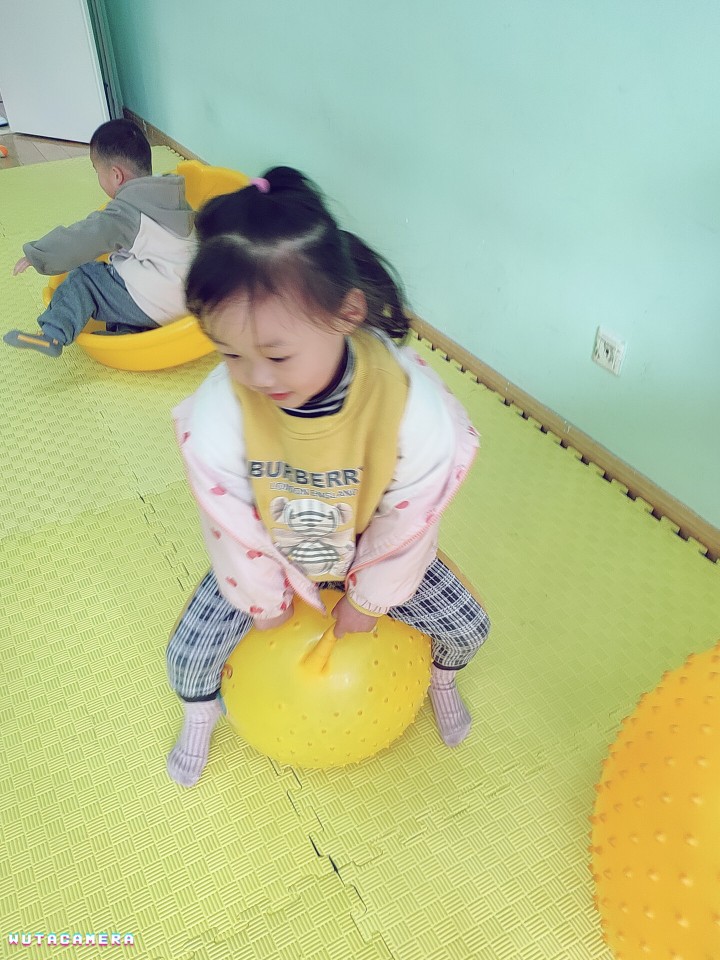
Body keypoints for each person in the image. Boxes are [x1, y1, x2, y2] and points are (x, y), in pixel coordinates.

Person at [167, 167, 491, 787]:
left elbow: (410, 518)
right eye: (230, 354)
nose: (257, 377)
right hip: (273, 556)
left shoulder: (409, 404)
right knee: (185, 656)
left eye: (277, 354)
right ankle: (201, 712)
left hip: (367, 551)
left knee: (469, 628)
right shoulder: (218, 414)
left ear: (347, 313)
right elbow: (232, 525)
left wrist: (369, 602)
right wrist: (265, 605)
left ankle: (439, 678)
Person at [4, 119, 195, 358]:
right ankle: (127, 333)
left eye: (97, 171)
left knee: (86, 276)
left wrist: (38, 254)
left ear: (116, 175)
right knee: (119, 274)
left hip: (156, 301)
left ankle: (52, 333)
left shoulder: (125, 212)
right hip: (191, 300)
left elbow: (83, 238)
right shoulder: (171, 195)